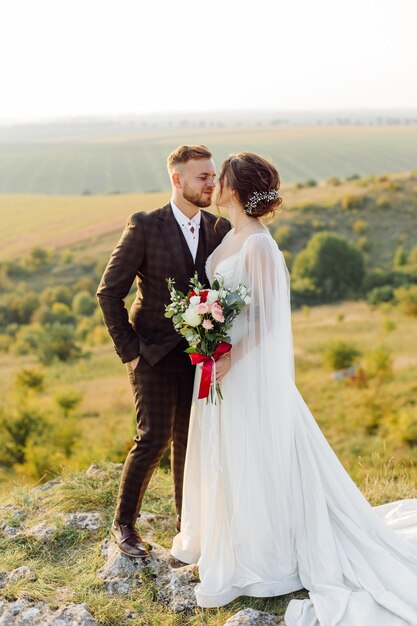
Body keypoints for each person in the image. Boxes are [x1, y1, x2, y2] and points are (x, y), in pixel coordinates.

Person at [171, 152, 417, 625]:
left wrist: (230, 358)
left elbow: (266, 317)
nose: (214, 184)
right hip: (220, 365)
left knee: (257, 455)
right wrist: (203, 329)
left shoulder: (260, 245)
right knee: (233, 454)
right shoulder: (231, 235)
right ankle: (231, 534)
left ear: (236, 190)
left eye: (220, 177)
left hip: (242, 371)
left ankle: (265, 552)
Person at [97, 144, 230, 558]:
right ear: (177, 180)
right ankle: (123, 526)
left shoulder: (218, 229)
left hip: (197, 356)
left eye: (212, 175)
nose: (212, 183)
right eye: (202, 177)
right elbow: (108, 292)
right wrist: (130, 352)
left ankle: (185, 525)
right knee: (152, 437)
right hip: (150, 353)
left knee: (189, 440)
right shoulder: (144, 225)